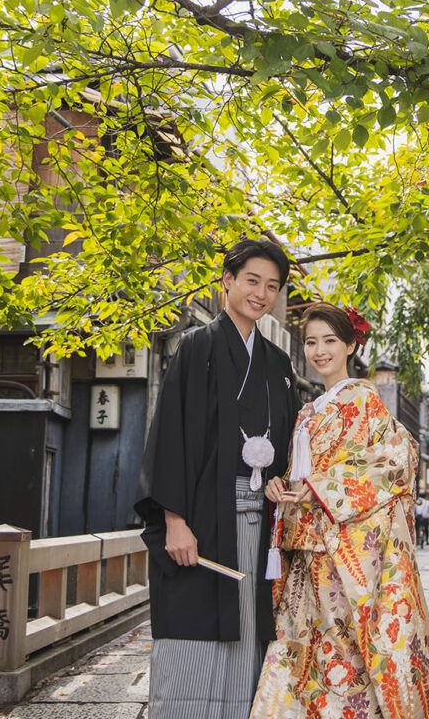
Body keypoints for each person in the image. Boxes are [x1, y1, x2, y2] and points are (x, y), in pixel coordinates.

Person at [251, 302, 429, 718]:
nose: (319, 351)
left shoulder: (363, 400)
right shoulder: (308, 411)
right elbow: (301, 474)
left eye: (330, 341)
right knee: (299, 648)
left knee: (341, 650)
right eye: (310, 342)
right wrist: (281, 485)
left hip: (341, 551)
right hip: (303, 551)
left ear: (349, 345)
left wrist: (321, 488)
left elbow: (398, 458)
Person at [136, 238, 298, 719]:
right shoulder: (196, 347)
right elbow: (170, 438)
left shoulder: (278, 364)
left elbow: (291, 447)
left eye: (272, 286)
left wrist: (281, 481)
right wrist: (174, 519)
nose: (261, 294)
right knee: (198, 619)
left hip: (261, 521)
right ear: (227, 281)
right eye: (252, 281)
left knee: (252, 623)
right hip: (205, 517)